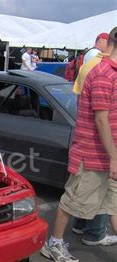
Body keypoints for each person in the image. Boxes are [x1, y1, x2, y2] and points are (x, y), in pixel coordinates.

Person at [41, 30, 117, 262]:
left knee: (114, 204)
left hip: (110, 155)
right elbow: (101, 119)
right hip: (94, 155)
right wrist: (114, 157)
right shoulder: (104, 73)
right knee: (73, 201)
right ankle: (53, 244)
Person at [70, 28, 117, 246]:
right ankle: (93, 232)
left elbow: (81, 100)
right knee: (93, 192)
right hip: (94, 144)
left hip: (90, 136)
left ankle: (81, 225)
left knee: (96, 193)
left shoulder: (92, 65)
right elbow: (99, 116)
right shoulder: (102, 70)